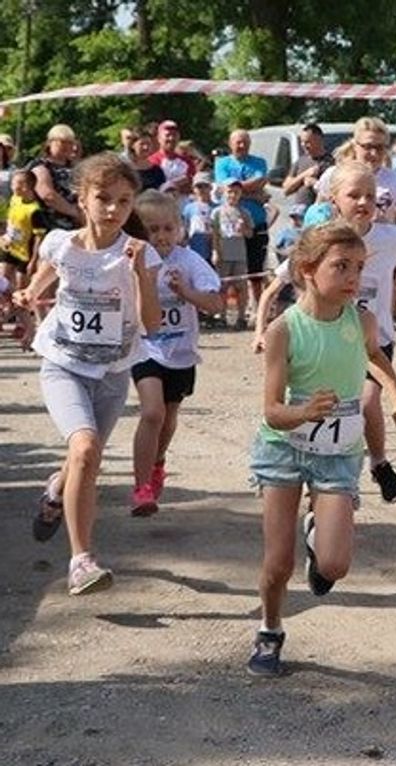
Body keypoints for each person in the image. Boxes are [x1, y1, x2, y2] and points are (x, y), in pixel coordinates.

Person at [246, 222, 396, 677]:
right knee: (278, 563)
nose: (352, 278)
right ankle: (270, 629)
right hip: (284, 448)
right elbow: (271, 411)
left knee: (335, 565)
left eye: (358, 268)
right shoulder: (284, 330)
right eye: (341, 267)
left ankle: (314, 531)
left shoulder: (360, 320)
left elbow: (375, 358)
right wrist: (303, 412)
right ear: (306, 270)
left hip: (338, 452)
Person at [13, 153, 161, 594]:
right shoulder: (61, 243)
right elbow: (41, 281)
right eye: (103, 199)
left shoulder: (138, 253)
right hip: (63, 364)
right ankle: (82, 561)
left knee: (83, 459)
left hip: (112, 372)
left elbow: (151, 324)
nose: (113, 209)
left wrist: (140, 274)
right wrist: (26, 297)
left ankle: (57, 490)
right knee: (86, 448)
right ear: (82, 198)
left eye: (123, 200)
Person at [327, 161, 396, 502]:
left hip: (377, 338)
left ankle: (379, 462)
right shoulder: (323, 242)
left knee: (368, 402)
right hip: (331, 342)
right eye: (353, 194)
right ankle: (342, 479)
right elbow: (296, 278)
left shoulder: (389, 237)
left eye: (369, 195)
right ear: (334, 201)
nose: (362, 201)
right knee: (341, 409)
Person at [128, 190, 224, 516]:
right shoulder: (133, 259)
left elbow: (215, 304)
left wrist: (187, 292)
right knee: (152, 413)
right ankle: (142, 489)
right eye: (152, 229)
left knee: (168, 421)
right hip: (145, 348)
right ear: (140, 232)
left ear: (180, 229)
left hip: (181, 353)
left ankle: (157, 462)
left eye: (168, 228)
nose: (161, 236)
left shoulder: (189, 261)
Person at [316, 118, 396, 234]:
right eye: (368, 147)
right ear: (355, 146)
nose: (374, 153)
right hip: (342, 245)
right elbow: (318, 214)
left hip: (380, 247)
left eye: (380, 148)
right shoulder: (333, 175)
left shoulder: (394, 180)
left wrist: (388, 230)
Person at [214, 129, 271, 308]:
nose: (242, 145)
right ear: (230, 144)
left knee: (256, 270)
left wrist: (237, 190)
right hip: (231, 229)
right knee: (231, 271)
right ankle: (232, 311)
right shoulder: (222, 163)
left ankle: (258, 308)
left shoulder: (259, 162)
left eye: (245, 142)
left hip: (256, 223)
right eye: (238, 142)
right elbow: (225, 188)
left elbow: (260, 181)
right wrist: (254, 195)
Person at [1, 169, 47, 344]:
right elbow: (10, 223)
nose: (15, 186)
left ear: (30, 186)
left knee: (20, 290)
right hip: (9, 249)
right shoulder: (14, 200)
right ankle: (5, 313)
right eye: (14, 183)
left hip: (25, 254)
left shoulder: (34, 210)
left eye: (20, 183)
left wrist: (34, 260)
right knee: (3, 282)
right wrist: (4, 236)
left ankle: (24, 324)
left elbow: (39, 237)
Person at [211, 178, 253, 329]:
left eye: (236, 192)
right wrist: (215, 251)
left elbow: (250, 234)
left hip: (239, 254)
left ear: (240, 193)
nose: (233, 195)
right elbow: (214, 233)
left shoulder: (244, 212)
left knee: (241, 286)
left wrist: (244, 230)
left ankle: (241, 317)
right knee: (222, 286)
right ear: (224, 193)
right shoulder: (217, 212)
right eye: (230, 192)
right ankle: (221, 316)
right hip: (223, 254)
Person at [28, 123, 81, 232]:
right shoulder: (40, 165)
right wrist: (74, 211)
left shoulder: (76, 166)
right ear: (49, 143)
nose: (67, 146)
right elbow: (47, 195)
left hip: (77, 225)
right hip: (51, 225)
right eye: (62, 142)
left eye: (70, 142)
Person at [282, 123, 333, 208]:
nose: (303, 145)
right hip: (299, 212)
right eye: (302, 142)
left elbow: (334, 191)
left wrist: (315, 183)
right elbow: (286, 189)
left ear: (319, 140)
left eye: (307, 142)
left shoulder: (331, 163)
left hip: (320, 211)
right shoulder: (300, 161)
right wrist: (304, 175)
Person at [147, 120, 197, 199]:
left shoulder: (187, 162)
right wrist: (177, 184)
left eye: (174, 135)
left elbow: (193, 186)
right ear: (159, 138)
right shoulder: (151, 161)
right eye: (167, 135)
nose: (171, 138)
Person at [182, 172, 215, 262]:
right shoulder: (188, 208)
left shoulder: (217, 208)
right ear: (193, 189)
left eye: (205, 186)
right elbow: (185, 228)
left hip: (214, 250)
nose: (202, 189)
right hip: (195, 249)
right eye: (199, 186)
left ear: (211, 187)